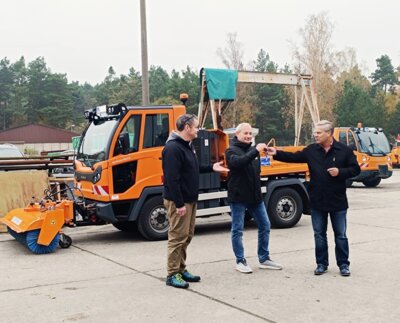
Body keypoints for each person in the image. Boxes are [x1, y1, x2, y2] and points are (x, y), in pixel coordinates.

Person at [266, 120, 361, 277]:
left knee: (341, 235)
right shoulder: (311, 150)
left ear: (329, 133)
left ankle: (343, 264)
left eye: (318, 133)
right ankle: (321, 264)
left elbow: (355, 169)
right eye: (315, 132)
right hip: (317, 201)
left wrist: (340, 172)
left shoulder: (344, 150)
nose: (315, 135)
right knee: (319, 234)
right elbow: (293, 157)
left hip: (338, 201)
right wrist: (275, 152)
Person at [162, 113, 228, 288]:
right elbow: (172, 179)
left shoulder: (187, 145)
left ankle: (181, 269)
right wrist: (179, 204)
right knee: (177, 237)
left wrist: (211, 167)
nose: (199, 129)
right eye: (197, 126)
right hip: (180, 201)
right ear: (187, 127)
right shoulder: (172, 149)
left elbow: (192, 168)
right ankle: (172, 274)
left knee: (187, 235)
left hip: (190, 199)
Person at [225, 123, 283, 274]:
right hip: (238, 197)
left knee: (265, 225)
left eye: (250, 134)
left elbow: (256, 173)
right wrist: (255, 150)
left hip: (255, 197)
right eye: (245, 133)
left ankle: (264, 258)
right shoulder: (231, 150)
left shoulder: (254, 151)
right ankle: (240, 260)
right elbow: (238, 163)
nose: (249, 136)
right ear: (237, 134)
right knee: (237, 230)